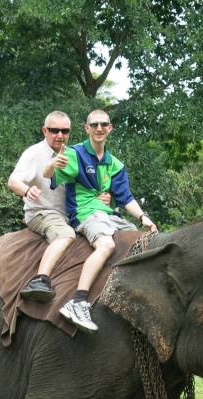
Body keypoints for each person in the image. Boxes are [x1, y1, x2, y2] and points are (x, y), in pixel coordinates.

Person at [44, 109, 157, 333]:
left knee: (139, 237)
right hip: (86, 214)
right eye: (94, 125)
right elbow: (50, 176)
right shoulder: (75, 153)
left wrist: (144, 217)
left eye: (103, 125)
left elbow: (125, 197)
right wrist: (52, 164)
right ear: (87, 128)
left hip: (108, 214)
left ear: (110, 128)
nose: (99, 129)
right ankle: (78, 301)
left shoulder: (114, 164)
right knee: (106, 244)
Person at [7, 111, 75, 302]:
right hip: (42, 213)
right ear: (45, 130)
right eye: (54, 130)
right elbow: (13, 181)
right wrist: (27, 191)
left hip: (69, 216)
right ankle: (40, 280)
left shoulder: (72, 154)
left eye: (64, 131)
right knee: (65, 235)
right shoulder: (34, 153)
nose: (60, 135)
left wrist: (105, 196)